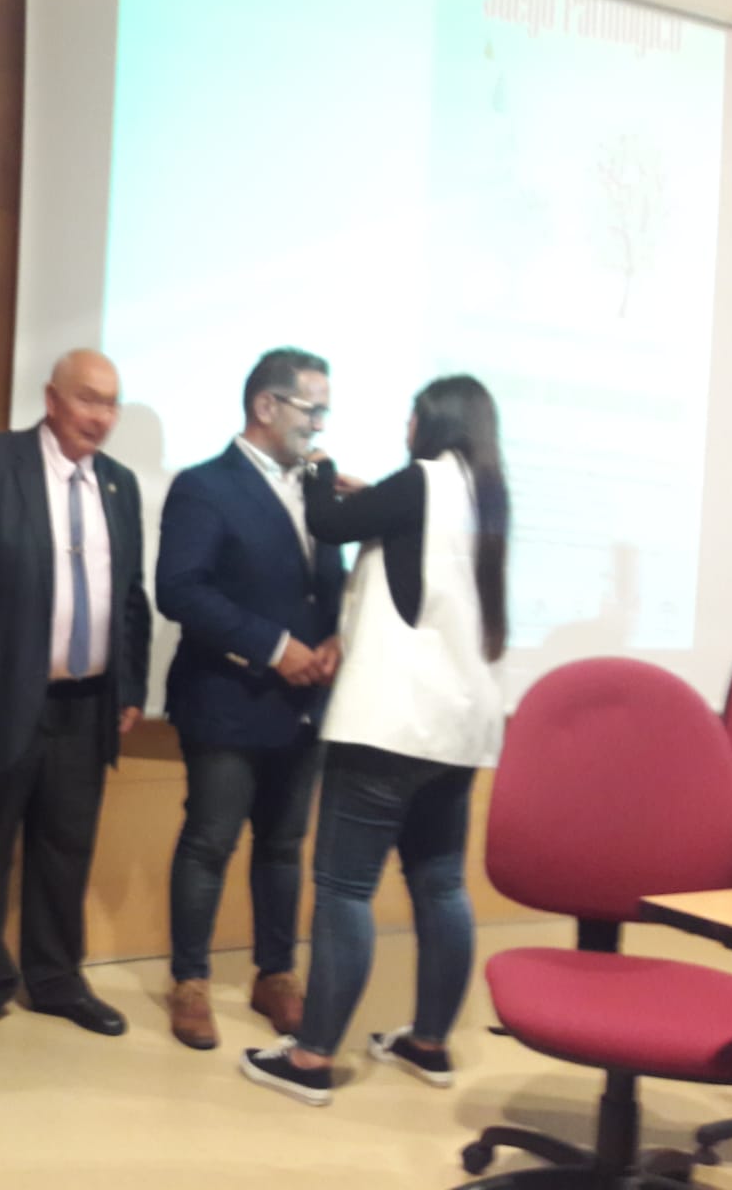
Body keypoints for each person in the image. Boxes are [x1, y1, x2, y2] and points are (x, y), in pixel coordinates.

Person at [240, 375, 509, 1106]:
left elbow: (328, 523)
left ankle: (311, 1059)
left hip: (390, 725)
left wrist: (321, 469)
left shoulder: (422, 480)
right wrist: (372, 500)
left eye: (412, 417)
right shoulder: (483, 492)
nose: (405, 430)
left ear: (434, 422)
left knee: (344, 889)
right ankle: (429, 1042)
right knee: (441, 883)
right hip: (458, 729)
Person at [0, 349, 151, 1050]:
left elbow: (130, 598)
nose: (101, 417)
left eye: (111, 404)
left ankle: (56, 980)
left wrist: (131, 686)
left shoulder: (120, 485)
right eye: (88, 400)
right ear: (51, 399)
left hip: (87, 705)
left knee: (65, 849)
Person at [156, 348, 345, 1050]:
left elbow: (331, 584)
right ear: (266, 405)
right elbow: (180, 589)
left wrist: (339, 638)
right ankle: (190, 982)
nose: (320, 424)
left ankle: (276, 974)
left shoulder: (320, 488)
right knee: (209, 842)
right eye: (312, 409)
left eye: (325, 411)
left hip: (305, 705)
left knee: (284, 845)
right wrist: (274, 647)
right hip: (226, 700)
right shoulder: (205, 485)